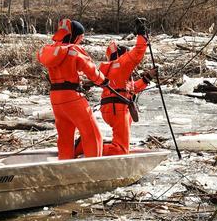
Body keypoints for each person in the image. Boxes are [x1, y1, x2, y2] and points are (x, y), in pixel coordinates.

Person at [38, 18, 108, 159]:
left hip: (56, 98)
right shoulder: (73, 50)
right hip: (72, 98)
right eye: (80, 38)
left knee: (65, 136)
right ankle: (94, 165)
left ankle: (65, 163)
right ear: (75, 36)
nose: (80, 41)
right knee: (93, 134)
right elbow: (91, 70)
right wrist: (104, 81)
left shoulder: (51, 50)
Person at [99, 20, 158, 156]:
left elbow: (129, 89)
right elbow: (138, 51)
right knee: (120, 149)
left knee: (120, 145)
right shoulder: (122, 64)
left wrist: (146, 78)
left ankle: (94, 146)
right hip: (118, 109)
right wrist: (142, 34)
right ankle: (88, 146)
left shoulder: (114, 69)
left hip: (113, 107)